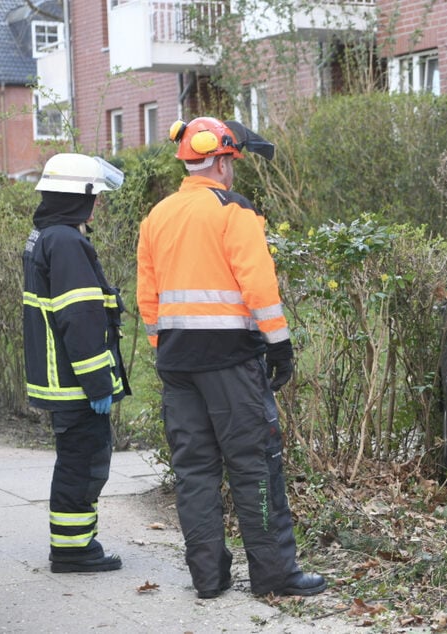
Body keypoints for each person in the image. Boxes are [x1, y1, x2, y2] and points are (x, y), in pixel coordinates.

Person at [136, 117, 326, 599]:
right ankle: (275, 575)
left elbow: (148, 300)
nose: (233, 172)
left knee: (194, 471)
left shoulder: (156, 216)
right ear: (221, 161)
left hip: (177, 366)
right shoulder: (232, 209)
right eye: (232, 163)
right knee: (254, 465)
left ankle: (208, 578)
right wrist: (279, 344)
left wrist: (169, 350)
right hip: (231, 364)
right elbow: (258, 282)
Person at [23, 153, 130, 573]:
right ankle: (73, 550)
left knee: (76, 460)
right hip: (76, 385)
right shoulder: (67, 242)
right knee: (83, 463)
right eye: (95, 198)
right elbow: (80, 318)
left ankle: (74, 542)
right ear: (78, 198)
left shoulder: (47, 236)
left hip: (62, 380)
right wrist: (98, 383)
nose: (97, 205)